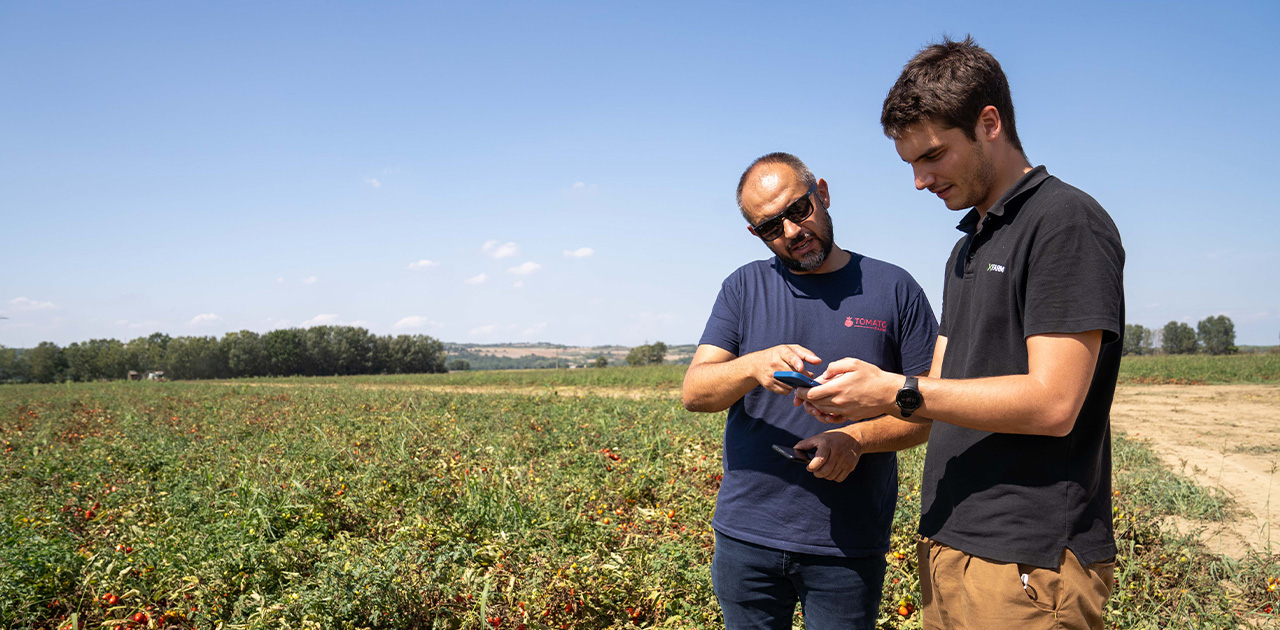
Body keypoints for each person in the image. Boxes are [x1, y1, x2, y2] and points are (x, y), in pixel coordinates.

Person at [796, 37, 1125, 630]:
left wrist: (897, 388)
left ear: (989, 123)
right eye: (911, 165)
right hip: (952, 543)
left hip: (1028, 560)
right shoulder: (967, 247)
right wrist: (856, 427)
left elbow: (1054, 403)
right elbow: (937, 394)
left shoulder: (1063, 223)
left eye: (934, 156)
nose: (921, 182)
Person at [681, 152, 938, 630]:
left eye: (798, 210)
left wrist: (856, 440)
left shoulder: (893, 288)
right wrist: (752, 366)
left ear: (821, 191)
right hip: (746, 538)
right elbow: (696, 392)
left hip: (846, 543)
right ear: (755, 234)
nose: (792, 232)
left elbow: (929, 412)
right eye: (770, 227)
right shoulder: (744, 287)